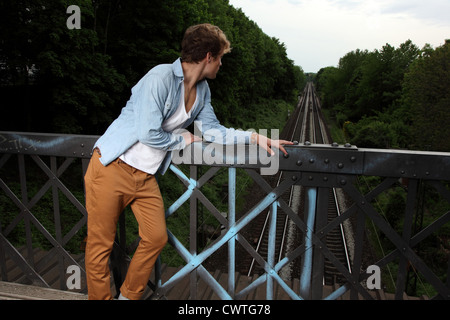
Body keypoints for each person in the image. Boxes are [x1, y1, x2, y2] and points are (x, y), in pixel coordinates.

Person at [84, 23, 293, 300]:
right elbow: (148, 133)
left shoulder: (202, 90)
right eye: (220, 58)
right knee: (101, 246)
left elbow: (212, 130)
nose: (220, 64)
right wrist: (181, 140)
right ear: (208, 56)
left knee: (156, 238)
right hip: (112, 167)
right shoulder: (159, 77)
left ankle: (128, 297)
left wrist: (254, 137)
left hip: (145, 176)